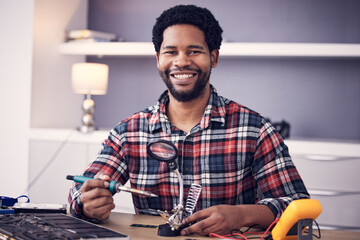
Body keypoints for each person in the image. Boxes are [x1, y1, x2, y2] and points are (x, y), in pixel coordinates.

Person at [68, 4, 309, 236]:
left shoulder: (255, 130)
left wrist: (241, 215)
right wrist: (88, 202)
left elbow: (299, 208)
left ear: (213, 57)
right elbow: (80, 192)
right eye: (171, 51)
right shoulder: (128, 132)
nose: (181, 61)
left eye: (194, 51)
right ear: (158, 59)